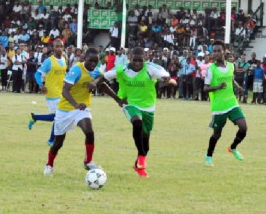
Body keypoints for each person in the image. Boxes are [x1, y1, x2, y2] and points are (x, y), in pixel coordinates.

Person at [103, 47, 171, 177]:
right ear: (129, 58)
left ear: (145, 59)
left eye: (141, 60)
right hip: (129, 103)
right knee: (137, 123)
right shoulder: (121, 69)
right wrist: (95, 84)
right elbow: (103, 78)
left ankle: (139, 163)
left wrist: (165, 79)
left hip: (148, 107)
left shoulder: (151, 68)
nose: (138, 63)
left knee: (146, 144)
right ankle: (142, 157)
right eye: (135, 60)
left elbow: (164, 74)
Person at [43, 48, 102, 176]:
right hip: (65, 110)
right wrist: (75, 104)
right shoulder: (76, 69)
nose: (93, 64)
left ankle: (88, 161)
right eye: (91, 61)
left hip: (82, 109)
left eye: (96, 61)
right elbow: (65, 90)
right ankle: (49, 164)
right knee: (58, 143)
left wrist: (117, 99)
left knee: (89, 131)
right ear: (84, 59)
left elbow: (101, 79)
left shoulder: (96, 71)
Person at [204, 40, 247, 166]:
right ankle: (209, 156)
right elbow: (205, 88)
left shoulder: (231, 65)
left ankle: (233, 147)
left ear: (224, 51)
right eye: (214, 51)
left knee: (243, 128)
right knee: (217, 135)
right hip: (219, 107)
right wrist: (217, 87)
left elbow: (231, 79)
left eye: (219, 50)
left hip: (232, 103)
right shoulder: (211, 69)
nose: (216, 53)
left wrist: (237, 86)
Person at [28, 39, 67, 147]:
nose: (59, 48)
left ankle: (35, 117)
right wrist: (41, 85)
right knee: (59, 116)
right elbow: (37, 74)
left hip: (61, 92)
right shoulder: (49, 61)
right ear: (53, 48)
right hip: (51, 92)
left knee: (58, 117)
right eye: (57, 46)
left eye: (61, 46)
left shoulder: (64, 59)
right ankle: (51, 140)